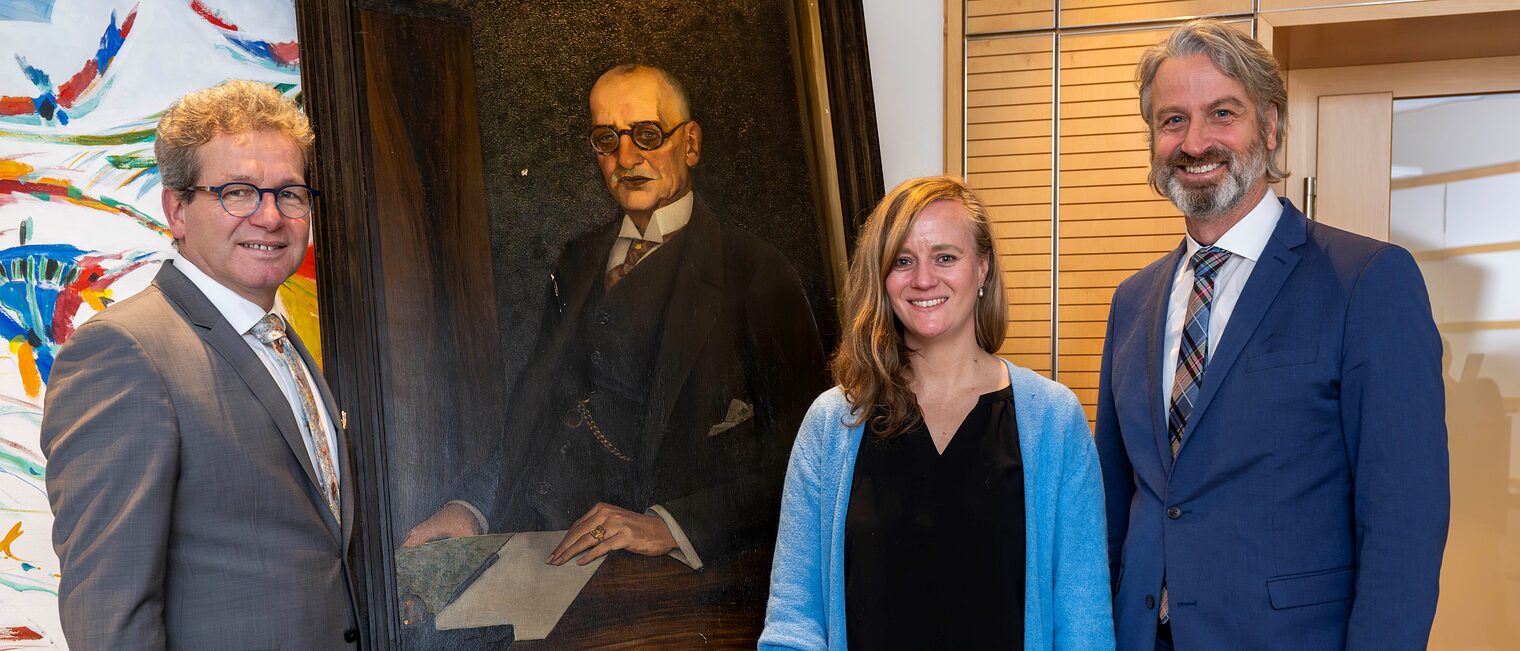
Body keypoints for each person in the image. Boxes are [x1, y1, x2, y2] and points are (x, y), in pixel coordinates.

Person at [1095, 19, 1448, 650]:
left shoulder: (1367, 282)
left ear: (1272, 126)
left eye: (1222, 114)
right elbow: (1115, 510)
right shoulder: (1132, 302)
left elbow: (1404, 527)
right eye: (1172, 120)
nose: (1194, 141)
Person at [403, 64, 827, 571]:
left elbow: (809, 460)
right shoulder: (577, 260)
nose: (627, 158)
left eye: (648, 135)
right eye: (607, 140)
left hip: (668, 576)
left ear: (690, 144)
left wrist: (670, 526)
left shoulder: (757, 271)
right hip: (545, 554)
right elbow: (539, 415)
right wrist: (471, 507)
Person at [41, 80, 359, 647]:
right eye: (238, 192)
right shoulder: (122, 352)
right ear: (177, 209)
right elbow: (109, 619)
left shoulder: (284, 342)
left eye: (290, 193)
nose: (270, 217)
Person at [760, 176, 1114, 649]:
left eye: (945, 257)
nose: (924, 278)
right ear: (881, 279)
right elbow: (793, 621)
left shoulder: (1053, 421)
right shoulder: (832, 425)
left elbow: (1083, 622)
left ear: (983, 268)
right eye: (903, 261)